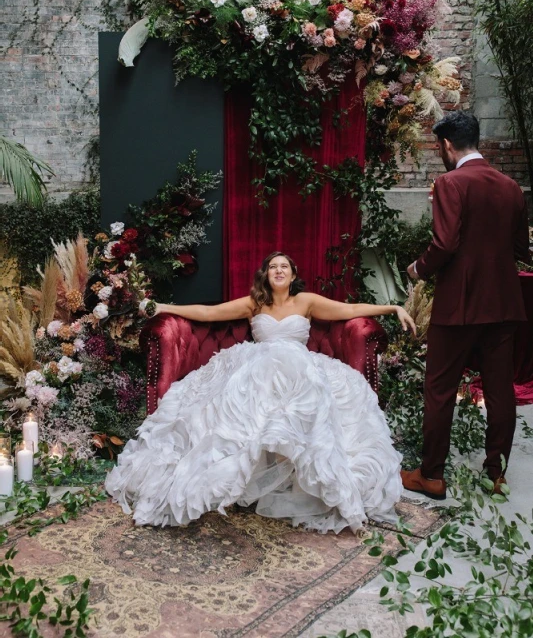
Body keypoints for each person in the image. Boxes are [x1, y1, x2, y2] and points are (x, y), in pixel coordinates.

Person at [106, 251, 416, 534]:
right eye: (273, 267)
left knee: (306, 395)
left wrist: (392, 307)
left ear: (293, 275)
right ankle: (241, 481)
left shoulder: (306, 301)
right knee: (241, 403)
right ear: (265, 274)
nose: (278, 271)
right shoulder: (254, 304)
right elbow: (207, 312)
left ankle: (302, 483)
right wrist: (162, 307)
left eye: (284, 266)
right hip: (257, 369)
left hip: (298, 371)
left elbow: (350, 309)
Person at [403, 111, 530, 500]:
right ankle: (496, 475)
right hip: (505, 304)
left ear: (445, 145)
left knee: (439, 389)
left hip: (458, 307)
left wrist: (417, 269)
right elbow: (521, 250)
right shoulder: (511, 187)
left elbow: (444, 244)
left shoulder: (450, 182)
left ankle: (432, 475)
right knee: (500, 390)